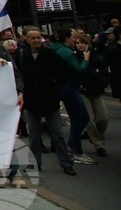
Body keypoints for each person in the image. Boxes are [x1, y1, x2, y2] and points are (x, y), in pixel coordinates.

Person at [19, 26, 75, 175]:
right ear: (27, 40)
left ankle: (66, 163)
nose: (37, 40)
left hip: (50, 99)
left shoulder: (50, 54)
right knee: (34, 135)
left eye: (39, 37)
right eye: (33, 38)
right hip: (31, 101)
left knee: (57, 134)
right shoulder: (23, 55)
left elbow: (63, 73)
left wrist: (55, 86)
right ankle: (34, 163)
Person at [47, 27, 94, 165]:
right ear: (67, 38)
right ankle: (77, 152)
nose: (75, 40)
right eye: (73, 37)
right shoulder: (66, 52)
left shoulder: (55, 49)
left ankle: (71, 145)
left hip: (65, 87)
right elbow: (79, 70)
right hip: (68, 87)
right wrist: (86, 59)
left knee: (83, 118)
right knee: (78, 119)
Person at [74, 33, 109, 157]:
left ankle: (95, 135)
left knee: (103, 118)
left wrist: (103, 81)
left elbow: (103, 72)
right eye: (77, 43)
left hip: (96, 90)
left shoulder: (95, 57)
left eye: (82, 42)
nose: (80, 45)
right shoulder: (75, 57)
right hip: (83, 91)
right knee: (89, 119)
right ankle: (99, 144)